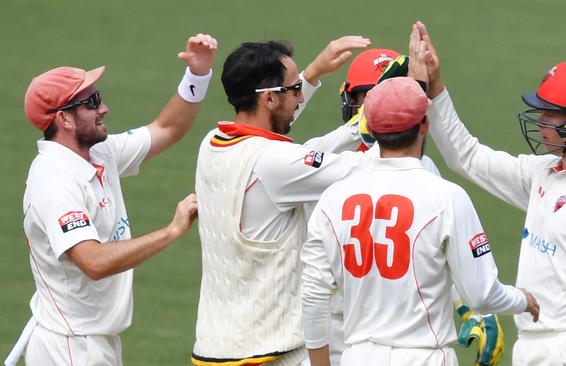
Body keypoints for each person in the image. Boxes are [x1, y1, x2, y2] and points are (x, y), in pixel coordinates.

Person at [413, 20, 566, 365]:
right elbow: (466, 156)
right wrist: (435, 87)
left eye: (551, 112)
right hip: (532, 345)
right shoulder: (542, 173)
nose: (540, 119)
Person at [301, 76, 539, 366]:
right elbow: (481, 294)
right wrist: (523, 300)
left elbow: (313, 294)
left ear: (371, 129)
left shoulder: (333, 198)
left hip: (356, 356)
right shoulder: (447, 196)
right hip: (423, 357)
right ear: (424, 124)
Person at [13, 33, 217, 366]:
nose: (103, 107)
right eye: (91, 102)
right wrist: (171, 231)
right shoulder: (54, 181)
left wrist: (197, 74)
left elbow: (167, 128)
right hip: (71, 347)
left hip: (91, 339)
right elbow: (93, 262)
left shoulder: (97, 152)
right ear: (63, 119)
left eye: (98, 97)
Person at [192, 36, 377, 366]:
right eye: (294, 90)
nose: (299, 96)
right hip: (269, 352)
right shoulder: (274, 163)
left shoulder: (212, 144)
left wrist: (314, 73)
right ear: (268, 100)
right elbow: (363, 170)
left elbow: (289, 145)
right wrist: (383, 119)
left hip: (217, 346)